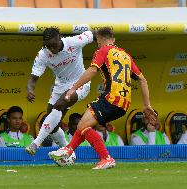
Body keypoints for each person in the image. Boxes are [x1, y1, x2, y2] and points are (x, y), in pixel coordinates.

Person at [49, 27, 156, 169]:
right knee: (84, 125)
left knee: (82, 125)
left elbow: (93, 70)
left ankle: (105, 158)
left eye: (97, 41)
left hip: (112, 98)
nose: (97, 44)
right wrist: (146, 105)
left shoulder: (103, 50)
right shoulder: (126, 55)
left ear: (99, 39)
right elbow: (142, 80)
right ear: (114, 39)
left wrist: (74, 88)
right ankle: (67, 151)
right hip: (124, 103)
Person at [25, 27, 94, 155]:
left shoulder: (74, 42)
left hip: (80, 82)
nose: (52, 49)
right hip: (60, 86)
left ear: (59, 37)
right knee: (52, 127)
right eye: (48, 46)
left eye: (54, 45)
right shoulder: (43, 54)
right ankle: (69, 153)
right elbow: (33, 79)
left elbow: (94, 35)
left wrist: (105, 51)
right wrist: (30, 90)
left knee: (60, 104)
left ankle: (36, 143)